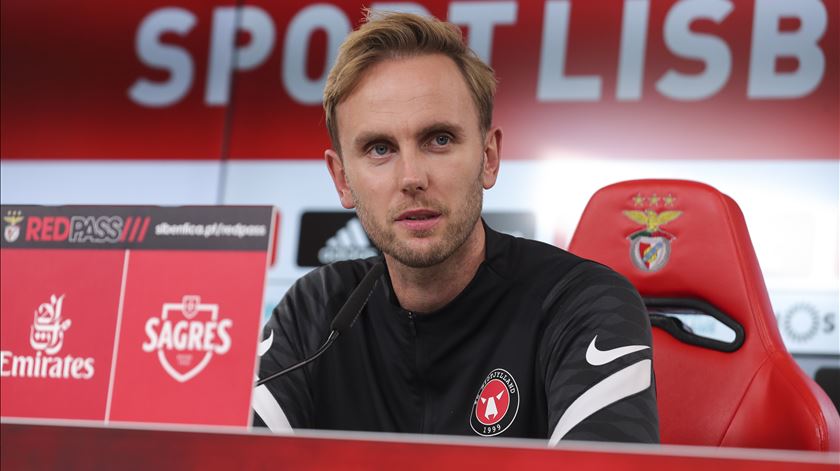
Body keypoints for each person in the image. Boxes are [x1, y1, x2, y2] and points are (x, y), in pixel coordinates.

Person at [253, 11, 659, 444]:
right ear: (341, 179)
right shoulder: (314, 312)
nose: (411, 177)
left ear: (488, 158)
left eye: (439, 139)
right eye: (379, 148)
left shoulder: (583, 303)